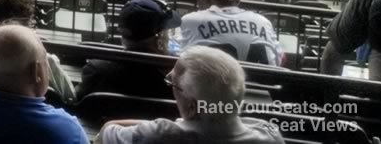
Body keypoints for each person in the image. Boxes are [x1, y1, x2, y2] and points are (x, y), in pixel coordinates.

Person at [97, 47, 283, 143]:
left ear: (193, 107)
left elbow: (107, 132)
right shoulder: (268, 135)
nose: (171, 87)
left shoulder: (159, 134)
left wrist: (173, 123)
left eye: (173, 83)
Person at [76, 0, 178, 101]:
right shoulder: (177, 75)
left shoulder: (96, 70)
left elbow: (77, 105)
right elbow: (195, 107)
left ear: (122, 31)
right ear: (160, 35)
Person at [179, 0, 279, 64]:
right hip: (261, 79)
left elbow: (179, 60)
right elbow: (278, 60)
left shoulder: (191, 20)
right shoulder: (264, 22)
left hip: (211, 79)